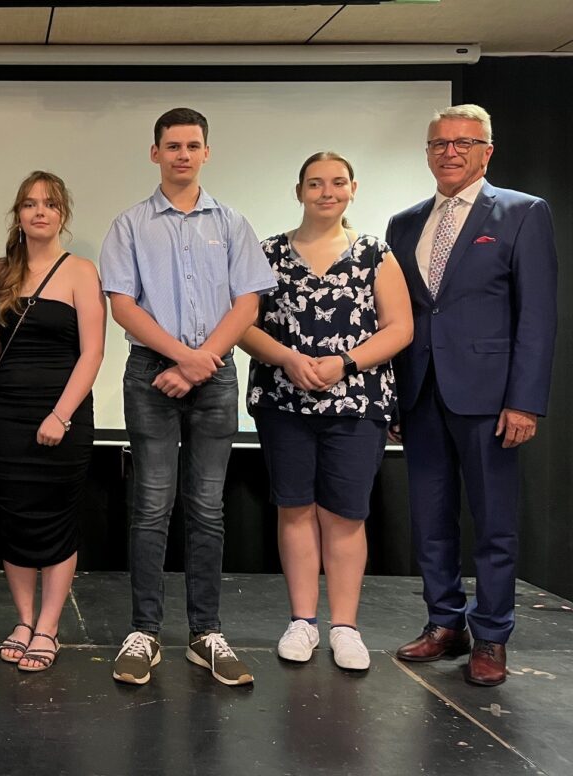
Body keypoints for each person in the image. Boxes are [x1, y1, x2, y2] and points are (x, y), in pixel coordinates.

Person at [99, 107, 276, 687]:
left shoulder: (231, 223)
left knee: (206, 508)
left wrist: (201, 363)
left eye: (192, 145)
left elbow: (247, 304)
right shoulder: (129, 225)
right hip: (152, 375)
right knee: (151, 507)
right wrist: (182, 357)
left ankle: (206, 634)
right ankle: (144, 634)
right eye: (171, 145)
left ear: (206, 152)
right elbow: (122, 305)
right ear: (155, 153)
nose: (181, 154)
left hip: (214, 373)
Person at [388, 105, 558, 686]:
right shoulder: (404, 223)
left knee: (493, 522)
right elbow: (401, 317)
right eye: (439, 143)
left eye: (464, 143)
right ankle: (444, 623)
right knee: (430, 519)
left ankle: (490, 636)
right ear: (428, 152)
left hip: (491, 397)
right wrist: (392, 398)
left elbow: (536, 316)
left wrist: (525, 400)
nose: (450, 152)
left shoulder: (521, 212)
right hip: (420, 393)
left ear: (488, 150)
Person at [240, 152, 413, 671]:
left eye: (337, 182)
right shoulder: (266, 253)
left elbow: (401, 327)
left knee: (344, 513)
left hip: (355, 404)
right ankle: (302, 622)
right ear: (299, 192)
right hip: (283, 400)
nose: (326, 191)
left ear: (353, 189)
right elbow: (242, 326)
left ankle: (345, 627)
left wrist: (345, 362)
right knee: (294, 508)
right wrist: (288, 359)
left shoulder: (374, 254)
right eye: (315, 183)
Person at [0, 171, 105, 673]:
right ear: (18, 213)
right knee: (14, 519)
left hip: (63, 414)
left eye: (50, 204)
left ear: (62, 215)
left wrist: (61, 413)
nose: (40, 211)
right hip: (6, 415)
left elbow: (94, 351)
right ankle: (23, 619)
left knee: (56, 520)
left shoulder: (81, 271)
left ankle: (49, 626)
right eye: (30, 204)